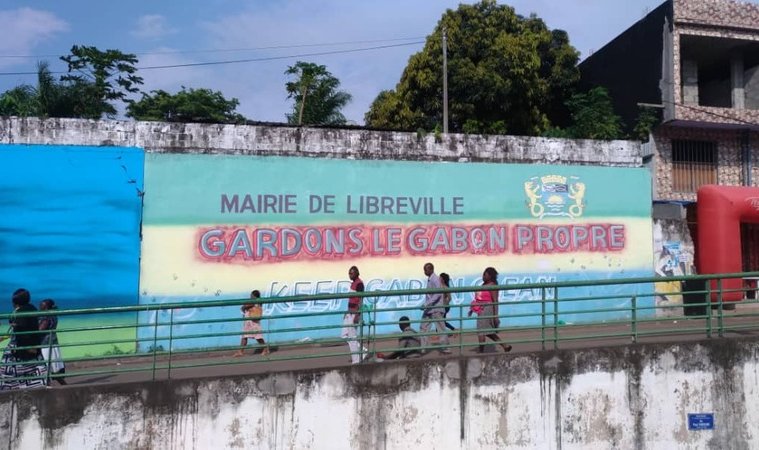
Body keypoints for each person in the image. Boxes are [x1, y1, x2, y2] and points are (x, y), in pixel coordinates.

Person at [0, 289, 47, 390]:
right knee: (35, 367)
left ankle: (10, 388)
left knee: (8, 369)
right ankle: (38, 385)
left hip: (19, 345)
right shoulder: (33, 309)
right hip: (33, 344)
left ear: (15, 301)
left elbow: (14, 322)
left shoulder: (17, 312)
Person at [468, 267, 512, 353]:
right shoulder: (483, 285)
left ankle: (481, 351)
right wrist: (472, 309)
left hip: (486, 309)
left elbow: (495, 301)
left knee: (481, 331)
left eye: (485, 274)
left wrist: (495, 316)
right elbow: (479, 299)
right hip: (480, 309)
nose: (483, 276)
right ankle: (505, 346)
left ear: (490, 276)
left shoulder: (492, 286)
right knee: (488, 331)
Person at [420, 262, 451, 354]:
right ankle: (423, 347)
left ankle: (446, 348)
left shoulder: (435, 279)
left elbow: (438, 293)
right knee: (423, 327)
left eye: (426, 270)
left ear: (431, 269)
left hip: (436, 308)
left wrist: (427, 304)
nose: (424, 272)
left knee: (440, 328)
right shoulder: (431, 279)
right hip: (430, 308)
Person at [342, 266, 368, 364]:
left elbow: (360, 299)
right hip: (349, 312)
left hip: (354, 313)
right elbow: (351, 299)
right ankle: (362, 351)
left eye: (351, 273)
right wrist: (347, 311)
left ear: (356, 273)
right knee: (344, 335)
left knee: (352, 337)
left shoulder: (359, 284)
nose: (350, 275)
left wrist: (358, 314)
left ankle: (356, 360)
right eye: (349, 273)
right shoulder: (352, 284)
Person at [233, 290, 269, 357]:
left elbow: (244, 307)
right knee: (244, 336)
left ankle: (265, 349)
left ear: (255, 296)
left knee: (258, 337)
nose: (250, 297)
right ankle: (240, 351)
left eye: (252, 295)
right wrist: (244, 307)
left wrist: (244, 307)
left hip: (253, 322)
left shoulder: (256, 302)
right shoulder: (254, 302)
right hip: (248, 321)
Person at [38, 299, 66, 385]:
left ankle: (53, 385)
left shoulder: (46, 317)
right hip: (52, 341)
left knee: (48, 367)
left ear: (46, 307)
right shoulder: (53, 315)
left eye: (41, 305)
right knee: (51, 367)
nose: (39, 307)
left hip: (46, 344)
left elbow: (40, 329)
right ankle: (62, 385)